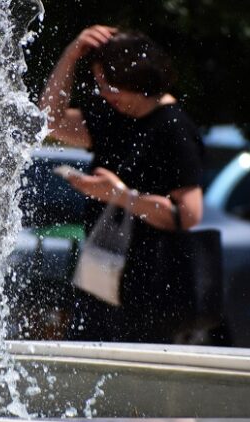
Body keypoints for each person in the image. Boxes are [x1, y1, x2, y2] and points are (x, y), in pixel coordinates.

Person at [39, 25, 204, 343]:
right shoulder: (113, 116)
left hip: (152, 287)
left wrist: (120, 196)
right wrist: (71, 53)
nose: (105, 94)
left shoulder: (174, 128)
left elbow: (188, 214)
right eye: (100, 84)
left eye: (111, 85)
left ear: (139, 81)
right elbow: (50, 121)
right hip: (101, 274)